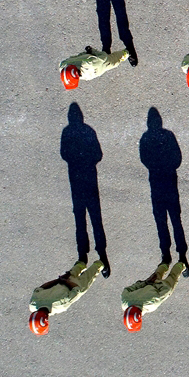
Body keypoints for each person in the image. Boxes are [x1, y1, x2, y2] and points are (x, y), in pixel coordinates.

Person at [60, 103, 111, 275]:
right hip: (87, 179)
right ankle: (99, 255)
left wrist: (77, 160)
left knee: (82, 219)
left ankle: (85, 256)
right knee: (93, 218)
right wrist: (86, 161)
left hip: (77, 181)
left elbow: (64, 154)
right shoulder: (87, 131)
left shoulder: (68, 132)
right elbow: (98, 154)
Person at [139, 108, 189, 272]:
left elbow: (144, 159)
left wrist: (156, 167)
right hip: (168, 180)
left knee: (163, 220)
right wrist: (167, 167)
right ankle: (179, 256)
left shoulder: (146, 138)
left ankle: (168, 255)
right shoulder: (167, 136)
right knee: (174, 219)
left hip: (157, 182)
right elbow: (177, 158)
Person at [28, 260, 105, 335]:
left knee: (87, 279)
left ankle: (100, 264)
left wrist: (66, 282)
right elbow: (42, 287)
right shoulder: (33, 304)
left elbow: (76, 290)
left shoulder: (60, 306)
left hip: (72, 285)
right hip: (61, 281)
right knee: (73, 273)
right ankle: (80, 264)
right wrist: (60, 279)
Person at [121, 262, 187, 332]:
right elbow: (129, 289)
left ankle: (181, 264)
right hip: (149, 282)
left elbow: (165, 292)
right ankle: (164, 264)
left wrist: (167, 286)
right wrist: (145, 282)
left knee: (173, 276)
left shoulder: (151, 305)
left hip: (160, 287)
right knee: (157, 274)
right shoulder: (125, 301)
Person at [59, 46, 129, 89]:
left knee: (114, 61)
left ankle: (127, 52)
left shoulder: (91, 65)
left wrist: (94, 52)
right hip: (89, 59)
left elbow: (103, 57)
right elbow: (75, 57)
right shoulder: (63, 65)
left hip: (101, 65)